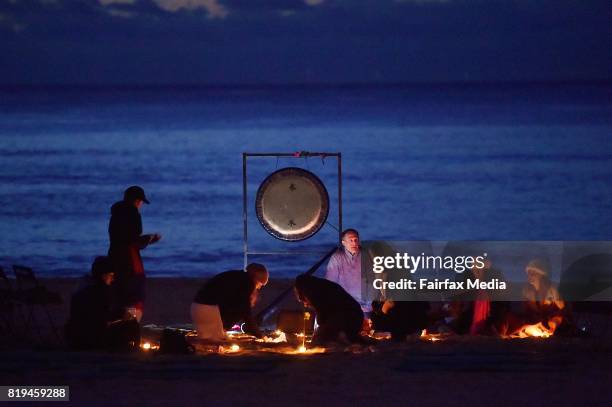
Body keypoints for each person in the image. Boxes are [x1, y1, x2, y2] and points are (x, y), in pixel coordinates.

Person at [107, 185, 161, 322]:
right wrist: (149, 239)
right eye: (140, 201)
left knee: (118, 294)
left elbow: (121, 238)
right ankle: (130, 325)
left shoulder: (116, 214)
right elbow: (133, 240)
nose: (141, 204)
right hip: (130, 260)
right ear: (137, 201)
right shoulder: (133, 214)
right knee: (134, 295)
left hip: (114, 257)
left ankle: (117, 325)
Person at [65, 256, 140, 351]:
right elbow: (102, 316)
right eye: (111, 275)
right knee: (132, 323)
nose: (112, 279)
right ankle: (134, 350)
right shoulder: (101, 291)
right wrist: (123, 315)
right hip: (93, 338)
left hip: (74, 337)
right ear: (104, 275)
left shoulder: (81, 287)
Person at [191, 263, 269, 341]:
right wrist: (259, 334)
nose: (258, 288)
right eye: (260, 285)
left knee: (217, 338)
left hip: (197, 307)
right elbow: (245, 311)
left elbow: (232, 305)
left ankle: (222, 330)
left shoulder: (237, 277)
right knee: (218, 341)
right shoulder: (247, 282)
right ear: (257, 279)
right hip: (207, 309)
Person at [294, 274, 364, 345]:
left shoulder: (314, 291)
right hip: (355, 316)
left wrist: (320, 330)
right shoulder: (323, 286)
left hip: (351, 317)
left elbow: (321, 318)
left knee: (319, 339)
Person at [325, 229, 370, 312]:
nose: (354, 243)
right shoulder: (337, 258)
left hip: (365, 306)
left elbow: (374, 282)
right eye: (351, 240)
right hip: (344, 305)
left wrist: (367, 306)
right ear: (343, 243)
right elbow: (330, 284)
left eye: (356, 240)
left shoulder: (367, 256)